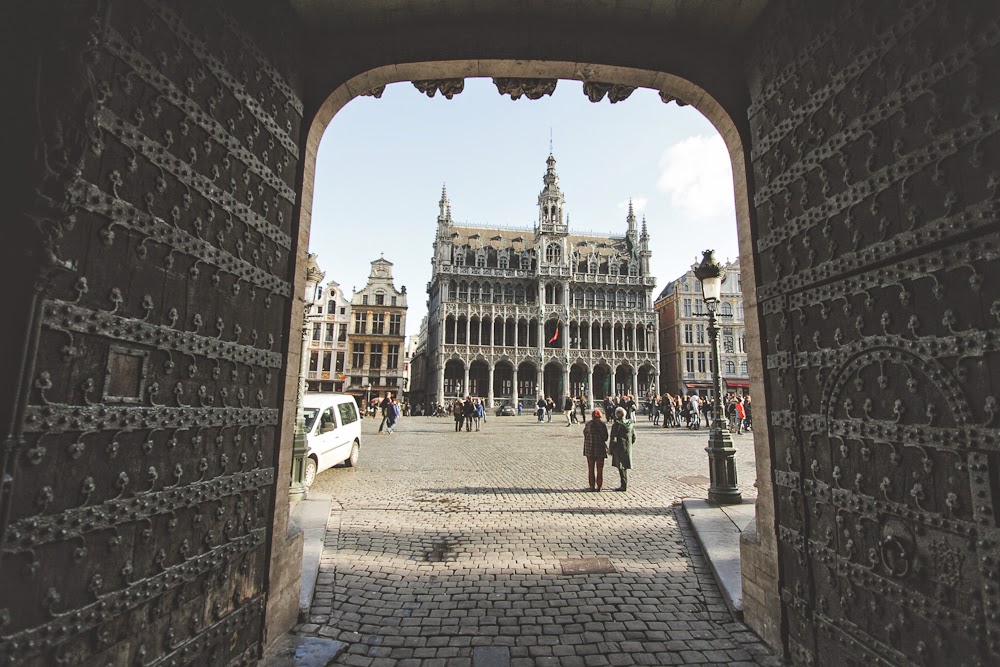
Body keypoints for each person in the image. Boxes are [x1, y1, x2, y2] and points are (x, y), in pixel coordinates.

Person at [583, 409, 609, 491]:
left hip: (589, 449)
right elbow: (605, 437)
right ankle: (599, 485)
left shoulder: (588, 424)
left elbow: (585, 434)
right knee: (600, 468)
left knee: (591, 468)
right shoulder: (602, 425)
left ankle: (591, 485)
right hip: (600, 448)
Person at [609, 406, 635, 492]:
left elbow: (613, 438)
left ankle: (623, 485)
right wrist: (629, 444)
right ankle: (624, 483)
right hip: (627, 447)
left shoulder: (617, 425)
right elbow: (634, 437)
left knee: (621, 466)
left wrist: (611, 448)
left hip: (619, 448)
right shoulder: (630, 424)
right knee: (624, 465)